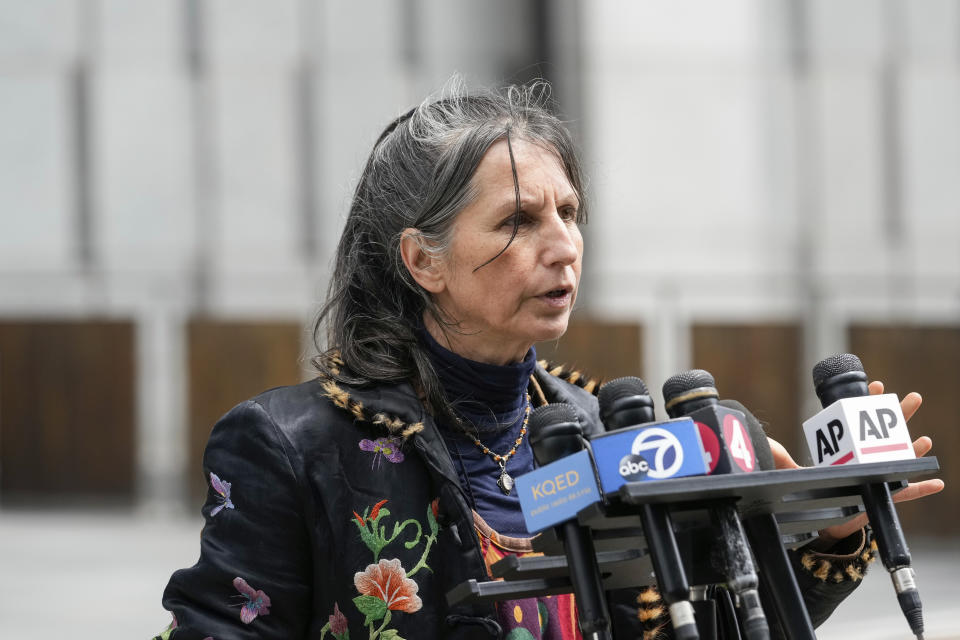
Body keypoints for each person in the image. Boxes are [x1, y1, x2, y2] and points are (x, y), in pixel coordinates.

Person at [156, 82, 943, 640]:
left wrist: (833, 528)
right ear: (422, 260)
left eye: (569, 213)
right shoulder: (292, 444)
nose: (563, 245)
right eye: (519, 220)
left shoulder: (608, 429)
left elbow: (718, 623)